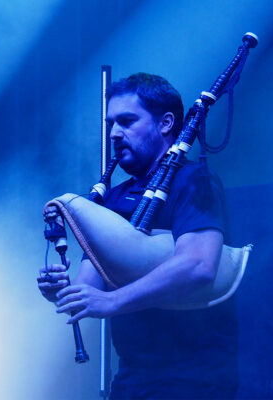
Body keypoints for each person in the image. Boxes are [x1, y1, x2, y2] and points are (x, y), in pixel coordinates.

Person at [38, 73, 239, 399]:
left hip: (196, 382)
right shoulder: (114, 199)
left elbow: (199, 266)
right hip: (133, 382)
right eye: (112, 123)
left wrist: (114, 300)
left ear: (165, 123)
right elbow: (90, 290)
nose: (115, 134)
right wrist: (61, 291)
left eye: (127, 121)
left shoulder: (195, 181)